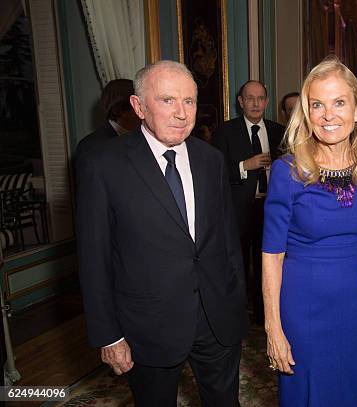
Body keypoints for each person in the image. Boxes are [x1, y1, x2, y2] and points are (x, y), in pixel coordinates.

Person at [77, 60, 248, 407]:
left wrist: (236, 302)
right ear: (138, 107)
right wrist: (108, 335)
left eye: (189, 101)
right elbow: (93, 259)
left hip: (216, 320)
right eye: (167, 100)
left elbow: (227, 241)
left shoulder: (211, 160)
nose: (181, 113)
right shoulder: (103, 165)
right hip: (147, 327)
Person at [262, 56, 357, 406]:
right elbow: (272, 255)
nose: (328, 115)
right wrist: (273, 327)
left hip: (355, 305)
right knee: (308, 391)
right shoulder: (288, 172)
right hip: (303, 306)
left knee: (351, 386)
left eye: (338, 103)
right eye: (317, 105)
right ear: (306, 113)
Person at [212, 80, 284, 325]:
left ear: (266, 101)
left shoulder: (278, 131)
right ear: (240, 101)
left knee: (268, 262)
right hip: (239, 209)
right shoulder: (225, 131)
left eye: (260, 98)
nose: (255, 103)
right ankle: (238, 315)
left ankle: (266, 315)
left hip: (272, 209)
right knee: (239, 263)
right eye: (250, 98)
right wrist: (246, 165)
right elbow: (216, 172)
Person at [76, 79, 141, 159]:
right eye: (138, 105)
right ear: (121, 111)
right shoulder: (91, 146)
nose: (143, 110)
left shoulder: (142, 136)